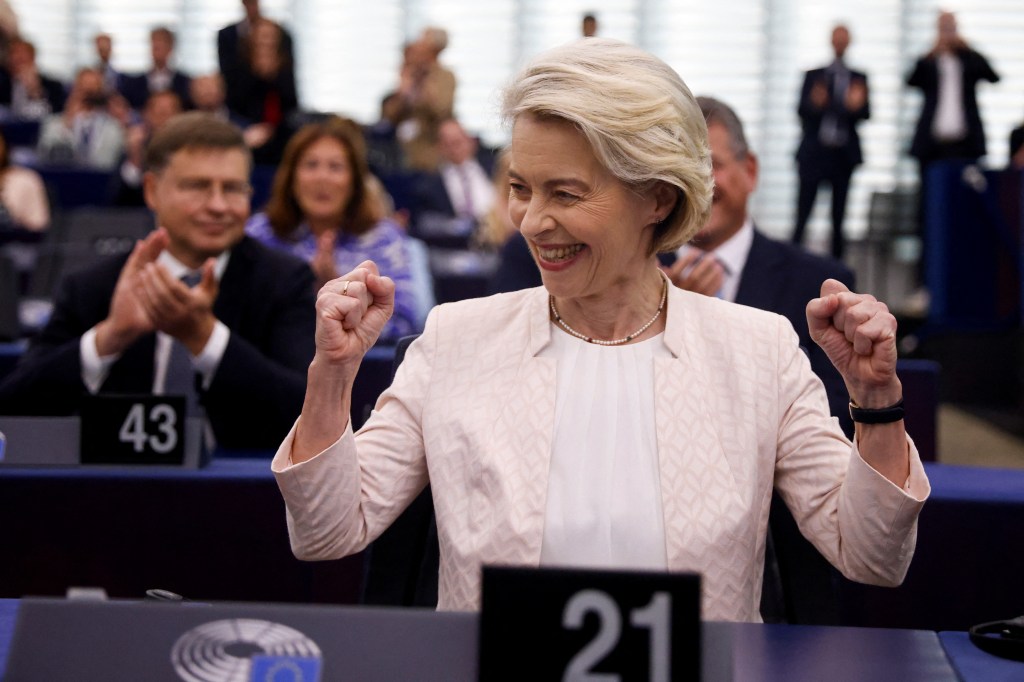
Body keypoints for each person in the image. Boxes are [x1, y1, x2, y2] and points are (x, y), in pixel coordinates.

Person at [271, 39, 929, 621]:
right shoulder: (454, 340)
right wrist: (332, 376)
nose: (529, 221)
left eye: (565, 193)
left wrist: (877, 404)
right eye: (521, 187)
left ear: (657, 198)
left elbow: (871, 555)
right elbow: (328, 531)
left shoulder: (758, 349)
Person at [0, 112, 316, 451]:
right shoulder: (93, 286)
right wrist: (110, 337)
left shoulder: (285, 282)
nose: (218, 205)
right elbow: (14, 407)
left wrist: (205, 338)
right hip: (112, 494)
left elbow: (307, 415)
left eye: (233, 188)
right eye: (197, 186)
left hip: (241, 496)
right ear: (152, 191)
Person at [666, 95, 857, 436]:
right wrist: (666, 320)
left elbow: (837, 423)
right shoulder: (629, 276)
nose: (695, 185)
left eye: (709, 165)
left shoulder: (818, 284)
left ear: (750, 171)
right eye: (677, 169)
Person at [246, 117, 427, 342]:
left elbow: (406, 325)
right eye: (311, 165)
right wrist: (304, 292)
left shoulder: (384, 237)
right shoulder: (259, 233)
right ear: (291, 177)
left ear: (354, 182)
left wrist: (341, 294)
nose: (323, 178)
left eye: (335, 167)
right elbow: (241, 317)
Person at [793, 24, 869, 261]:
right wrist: (818, 104)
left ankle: (838, 270)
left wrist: (851, 106)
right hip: (815, 154)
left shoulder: (858, 78)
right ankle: (793, 262)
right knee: (803, 214)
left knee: (839, 219)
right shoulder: (814, 76)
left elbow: (865, 113)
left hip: (842, 157)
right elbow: (801, 111)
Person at [36, 67, 125, 170]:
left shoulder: (113, 127)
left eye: (92, 89)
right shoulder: (53, 124)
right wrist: (67, 123)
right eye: (83, 88)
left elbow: (108, 161)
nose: (88, 93)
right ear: (74, 89)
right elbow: (46, 154)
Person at [121, 27, 192, 111]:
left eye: (162, 45)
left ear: (171, 48)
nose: (157, 49)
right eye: (155, 45)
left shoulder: (185, 83)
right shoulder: (133, 84)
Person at [0, 38, 66, 119]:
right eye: (14, 56)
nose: (16, 59)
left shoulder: (53, 86)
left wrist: (35, 90)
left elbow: (56, 116)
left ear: (33, 58)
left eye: (22, 60)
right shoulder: (3, 86)